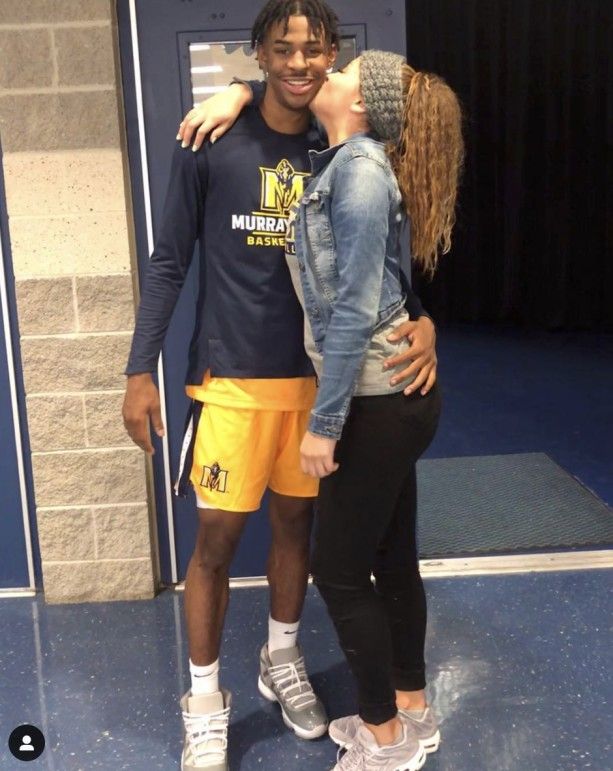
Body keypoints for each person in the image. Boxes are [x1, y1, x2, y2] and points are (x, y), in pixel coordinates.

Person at [122, 2, 438, 770]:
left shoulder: (343, 149)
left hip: (319, 389)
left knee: (298, 533)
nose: (299, 63)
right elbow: (169, 261)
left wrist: (423, 319)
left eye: (314, 49)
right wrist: (139, 366)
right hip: (230, 382)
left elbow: (377, 266)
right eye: (281, 48)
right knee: (217, 545)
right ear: (258, 53)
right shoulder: (213, 137)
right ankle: (203, 702)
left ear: (332, 57)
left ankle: (282, 657)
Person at [294, 52, 463, 770]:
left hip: (375, 400)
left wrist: (322, 423)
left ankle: (384, 741)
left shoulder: (357, 172)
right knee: (391, 557)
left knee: (335, 570)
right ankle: (413, 711)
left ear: (360, 104)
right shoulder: (349, 165)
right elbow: (385, 280)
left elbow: (357, 308)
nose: (327, 69)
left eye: (342, 69)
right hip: (392, 396)